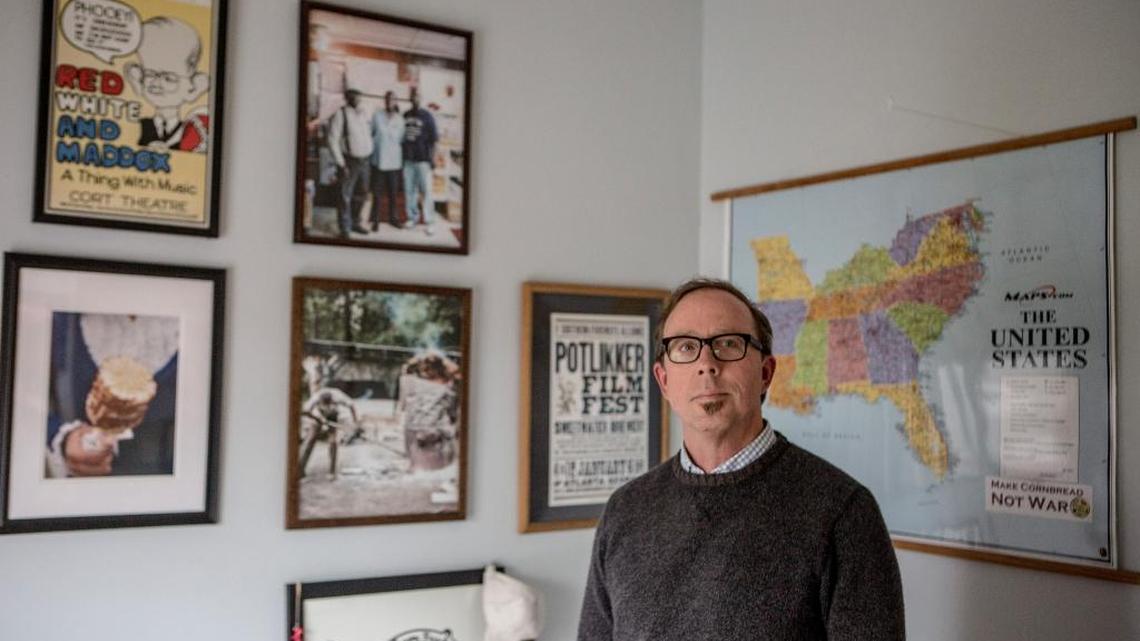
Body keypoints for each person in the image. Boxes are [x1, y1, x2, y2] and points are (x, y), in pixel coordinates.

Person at [577, 278, 904, 641]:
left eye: (728, 344)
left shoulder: (843, 511)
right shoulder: (625, 509)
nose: (706, 363)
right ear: (664, 380)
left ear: (765, 373)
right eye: (685, 347)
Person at [125, 17, 211, 152]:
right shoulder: (138, 127)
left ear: (193, 88)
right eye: (150, 74)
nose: (157, 83)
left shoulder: (193, 132)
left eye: (169, 78)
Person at [326, 88, 374, 238]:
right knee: (345, 196)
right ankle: (345, 228)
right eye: (355, 98)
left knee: (362, 193)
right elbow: (332, 140)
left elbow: (368, 133)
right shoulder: (340, 114)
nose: (358, 100)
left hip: (365, 160)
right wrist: (341, 163)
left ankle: (355, 223)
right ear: (348, 99)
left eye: (359, 98)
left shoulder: (363, 113)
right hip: (349, 161)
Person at [298, 387, 359, 478]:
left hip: (332, 416)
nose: (327, 405)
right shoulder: (316, 398)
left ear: (332, 400)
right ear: (320, 401)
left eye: (329, 404)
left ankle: (332, 471)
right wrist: (318, 418)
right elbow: (305, 411)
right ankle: (300, 470)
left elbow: (351, 405)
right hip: (317, 416)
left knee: (333, 442)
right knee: (310, 440)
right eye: (324, 404)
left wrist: (355, 422)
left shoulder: (338, 396)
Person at [401, 87, 438, 235]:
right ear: (410, 98)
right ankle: (412, 218)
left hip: (423, 160)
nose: (415, 98)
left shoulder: (428, 116)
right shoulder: (405, 115)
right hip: (408, 160)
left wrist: (433, 158)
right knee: (410, 191)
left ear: (420, 98)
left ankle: (430, 222)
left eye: (417, 96)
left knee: (427, 191)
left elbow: (434, 140)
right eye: (412, 96)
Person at [370, 90, 405, 230]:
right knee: (377, 193)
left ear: (396, 101)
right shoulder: (377, 116)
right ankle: (376, 220)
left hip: (394, 162)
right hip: (379, 161)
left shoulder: (400, 119)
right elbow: (371, 133)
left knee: (393, 192)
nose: (390, 101)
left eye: (393, 99)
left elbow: (401, 139)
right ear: (384, 100)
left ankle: (393, 218)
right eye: (388, 99)